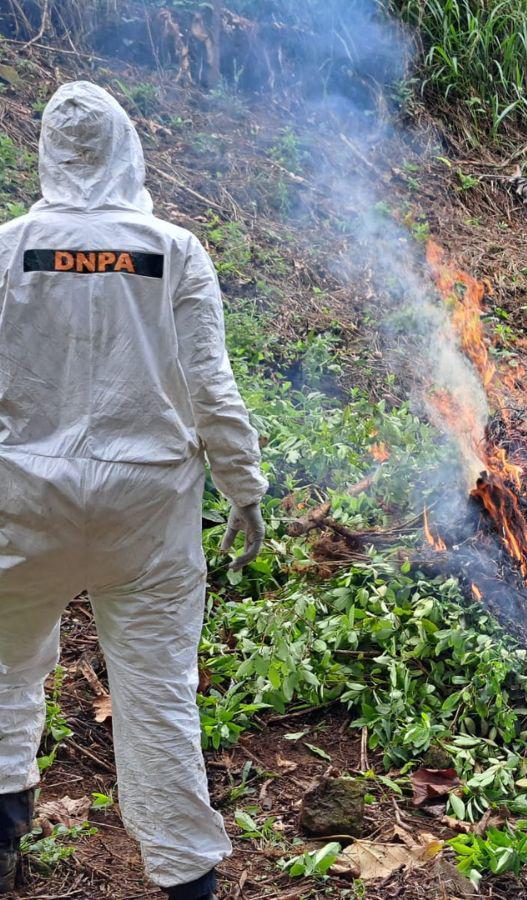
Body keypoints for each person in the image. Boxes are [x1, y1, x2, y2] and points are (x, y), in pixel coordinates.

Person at [0, 82, 268, 899]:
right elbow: (210, 387)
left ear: (47, 151)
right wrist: (243, 486)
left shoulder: (7, 248)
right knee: (156, 696)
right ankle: (187, 882)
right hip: (146, 510)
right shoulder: (174, 249)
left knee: (3, 672)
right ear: (127, 148)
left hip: (21, 496)